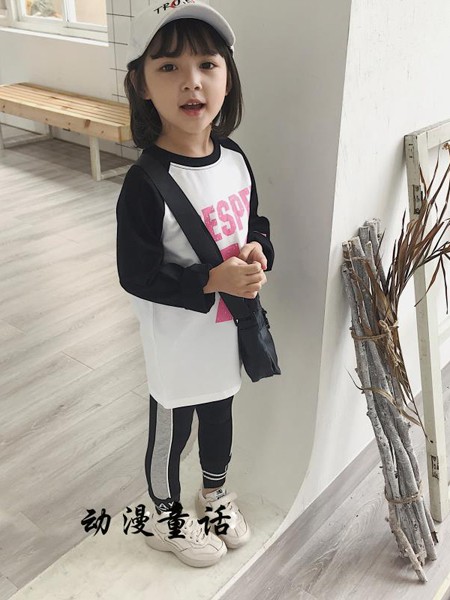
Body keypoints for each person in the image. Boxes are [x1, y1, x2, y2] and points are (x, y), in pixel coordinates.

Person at [116, 0, 275, 568]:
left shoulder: (234, 158)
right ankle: (164, 514)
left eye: (208, 64)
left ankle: (214, 494)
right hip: (176, 339)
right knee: (173, 426)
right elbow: (136, 273)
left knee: (220, 415)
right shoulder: (144, 183)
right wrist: (210, 279)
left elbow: (253, 223)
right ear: (142, 84)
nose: (192, 81)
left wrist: (259, 251)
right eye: (169, 67)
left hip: (226, 332)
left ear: (228, 78)